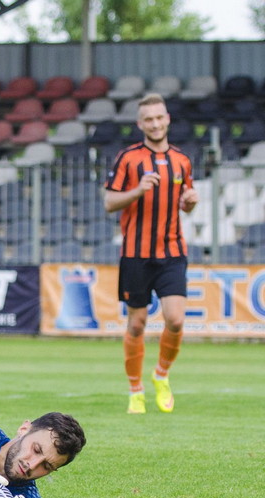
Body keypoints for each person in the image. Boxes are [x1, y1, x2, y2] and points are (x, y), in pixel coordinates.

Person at [104, 92, 198, 415]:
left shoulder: (183, 161)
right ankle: (135, 390)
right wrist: (138, 190)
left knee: (175, 319)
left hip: (172, 251)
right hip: (135, 254)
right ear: (140, 123)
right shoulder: (128, 159)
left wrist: (191, 202)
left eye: (160, 117)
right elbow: (108, 202)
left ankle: (161, 375)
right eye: (148, 119)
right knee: (137, 325)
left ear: (167, 119)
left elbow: (186, 200)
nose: (155, 124)